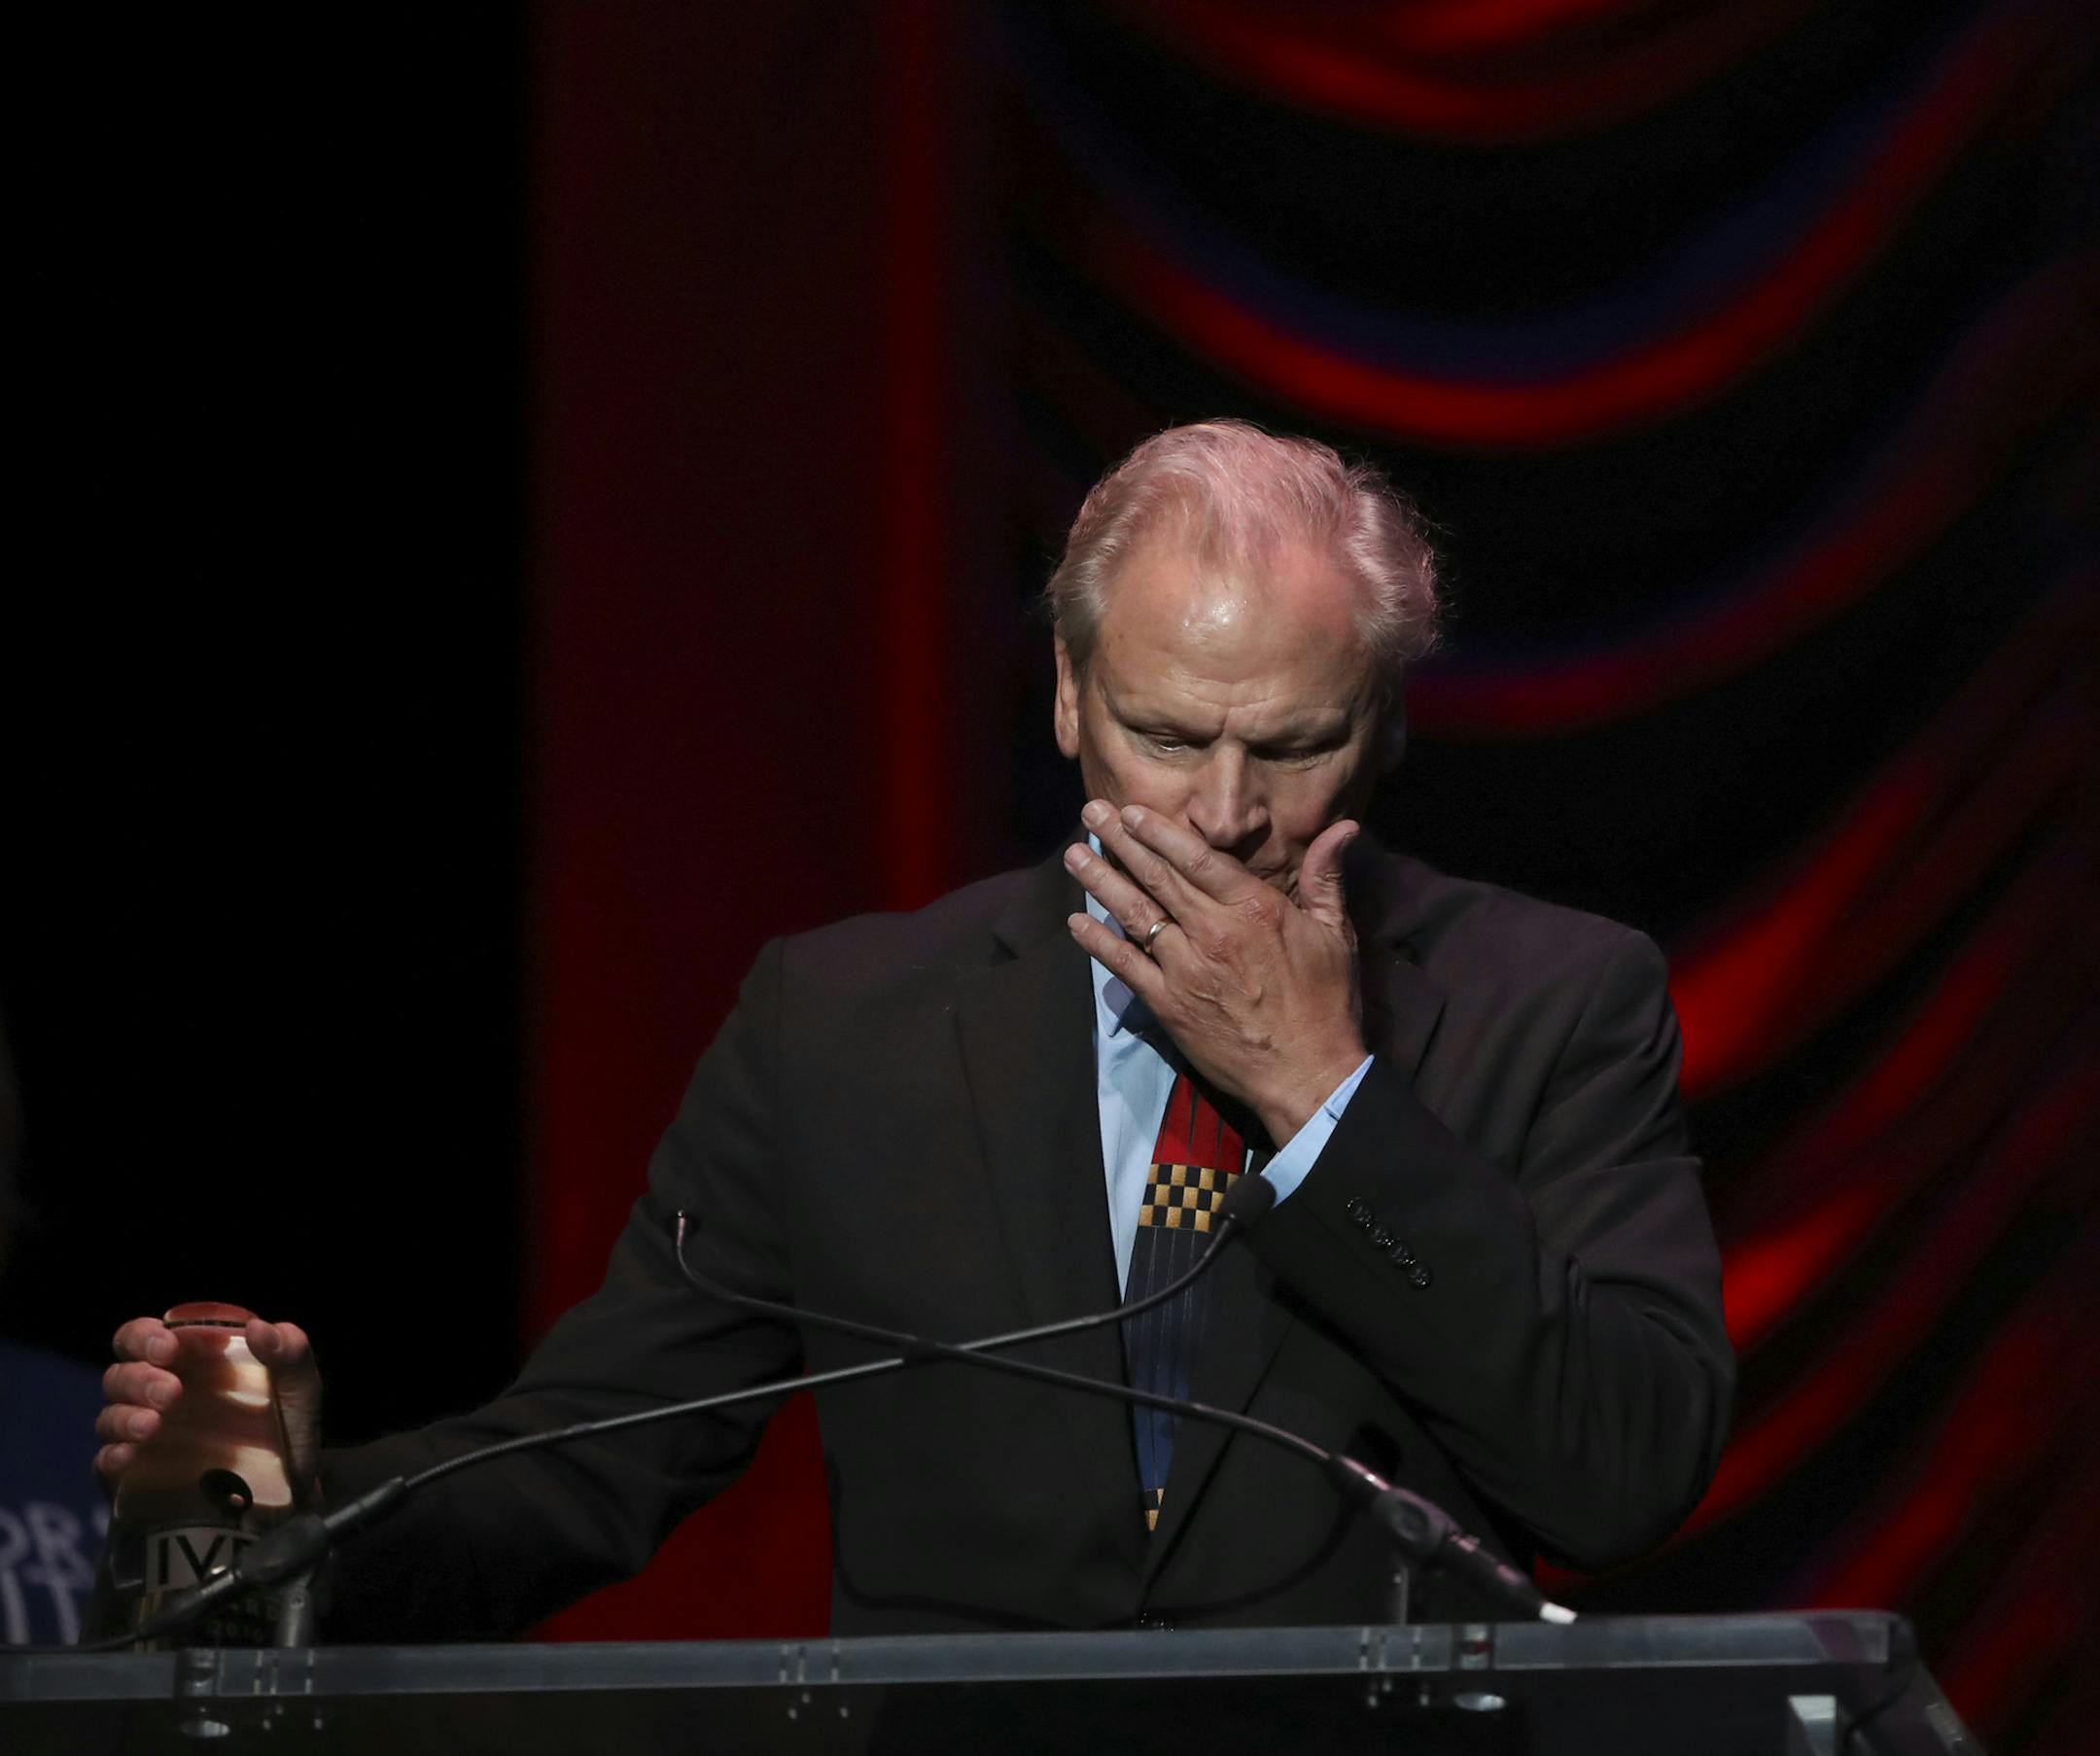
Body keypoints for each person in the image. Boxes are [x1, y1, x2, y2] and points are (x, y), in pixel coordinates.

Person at [98, 421, 1732, 1636]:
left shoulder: (1551, 999)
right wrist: (291, 1507)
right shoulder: (841, 1025)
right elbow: (587, 1458)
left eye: (1294, 745)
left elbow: (1624, 1472)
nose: (1227, 814)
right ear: (1070, 700)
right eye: (1167, 735)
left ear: (1381, 729)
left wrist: (1320, 1095)